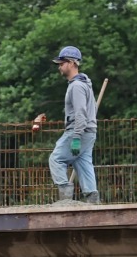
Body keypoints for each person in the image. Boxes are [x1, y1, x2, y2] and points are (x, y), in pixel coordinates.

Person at [33, 46, 99, 204]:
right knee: (82, 162)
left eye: (62, 63)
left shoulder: (76, 86)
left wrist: (76, 136)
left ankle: (65, 199)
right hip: (89, 132)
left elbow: (80, 114)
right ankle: (93, 199)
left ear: (71, 63)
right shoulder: (84, 84)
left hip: (79, 131)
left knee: (56, 159)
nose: (59, 67)